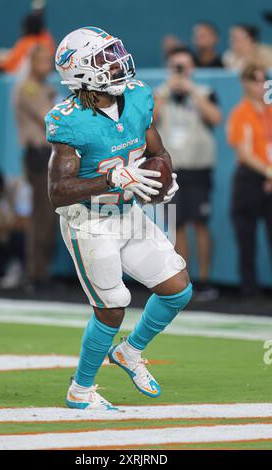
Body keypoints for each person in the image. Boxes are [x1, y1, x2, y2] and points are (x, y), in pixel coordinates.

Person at [46, 27, 192, 410]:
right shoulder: (69, 120)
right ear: (80, 71)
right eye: (103, 57)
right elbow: (57, 191)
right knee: (112, 307)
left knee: (178, 288)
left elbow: (157, 151)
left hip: (128, 211)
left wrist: (165, 182)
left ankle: (129, 351)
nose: (116, 61)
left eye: (114, 51)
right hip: (89, 220)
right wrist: (107, 177)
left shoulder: (139, 95)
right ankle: (80, 391)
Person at [154, 47, 222, 300]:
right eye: (175, 66)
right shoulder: (160, 93)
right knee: (177, 225)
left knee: (200, 224)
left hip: (199, 169)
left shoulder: (205, 92)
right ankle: (185, 280)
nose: (179, 71)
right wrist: (166, 90)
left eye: (183, 66)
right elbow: (150, 120)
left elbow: (216, 118)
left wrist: (191, 89)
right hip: (172, 171)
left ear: (192, 68)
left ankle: (205, 279)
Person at [227, 64, 272, 297]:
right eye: (256, 80)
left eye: (264, 80)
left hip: (268, 176)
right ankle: (249, 289)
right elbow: (244, 152)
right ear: (245, 83)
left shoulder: (270, 110)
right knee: (247, 239)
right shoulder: (241, 113)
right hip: (250, 180)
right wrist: (268, 172)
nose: (261, 85)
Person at [14, 45, 57, 289]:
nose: (47, 65)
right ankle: (35, 274)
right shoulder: (29, 88)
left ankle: (42, 272)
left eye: (48, 61)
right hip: (39, 154)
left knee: (49, 217)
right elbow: (49, 118)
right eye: (42, 61)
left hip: (49, 153)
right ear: (31, 62)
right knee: (41, 215)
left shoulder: (45, 88)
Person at [0, 11, 55, 75]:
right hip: (46, 75)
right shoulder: (47, 38)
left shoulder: (26, 42)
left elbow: (9, 65)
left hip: (23, 77)